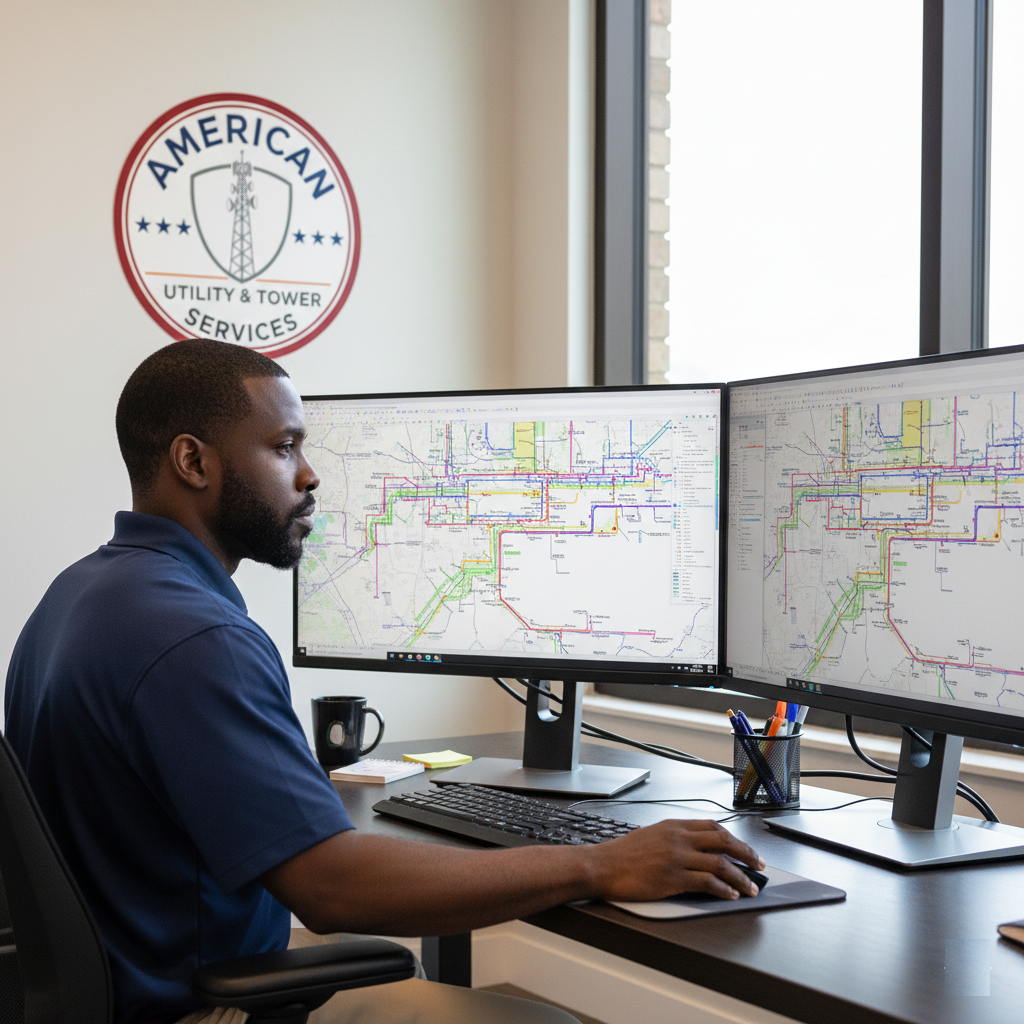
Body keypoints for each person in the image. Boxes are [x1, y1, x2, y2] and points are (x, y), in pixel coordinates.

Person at [4, 340, 765, 1024]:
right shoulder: (198, 638)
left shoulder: (79, 596)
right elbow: (333, 893)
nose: (310, 475)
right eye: (284, 446)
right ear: (193, 462)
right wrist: (598, 860)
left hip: (131, 983)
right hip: (201, 1009)